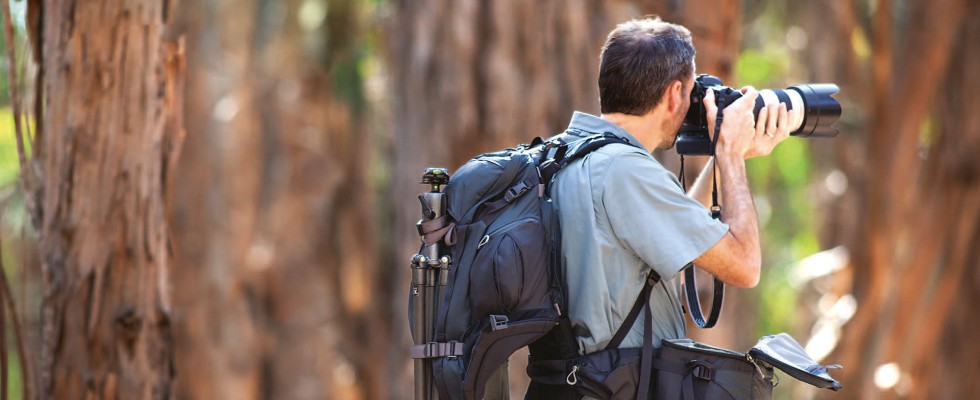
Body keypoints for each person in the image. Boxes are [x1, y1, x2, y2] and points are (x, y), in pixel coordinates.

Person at [529, 16, 799, 397]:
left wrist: (724, 163)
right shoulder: (626, 171)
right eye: (689, 93)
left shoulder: (564, 155)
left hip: (565, 385)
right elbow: (745, 265)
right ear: (674, 95)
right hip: (611, 388)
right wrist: (731, 155)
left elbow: (670, 227)